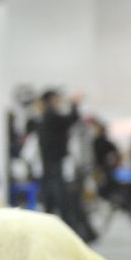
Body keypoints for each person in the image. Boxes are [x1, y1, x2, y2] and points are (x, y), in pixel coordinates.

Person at [34, 89, 97, 243]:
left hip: (51, 167)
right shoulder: (51, 116)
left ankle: (61, 237)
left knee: (54, 203)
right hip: (55, 167)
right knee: (63, 203)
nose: (59, 103)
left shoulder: (45, 118)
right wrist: (74, 104)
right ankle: (73, 237)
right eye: (57, 99)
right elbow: (71, 119)